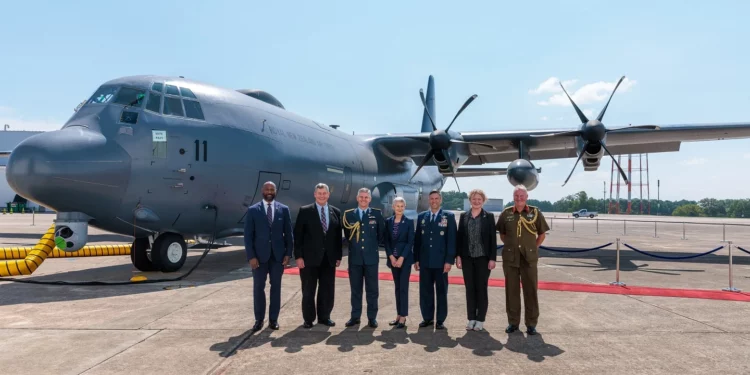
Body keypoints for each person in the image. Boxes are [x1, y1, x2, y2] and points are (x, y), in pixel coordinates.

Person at [496, 184, 549, 335]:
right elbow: (503, 234)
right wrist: (512, 246)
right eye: (516, 196)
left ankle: (531, 323)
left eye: (521, 196)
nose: (519, 199)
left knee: (530, 291)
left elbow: (541, 234)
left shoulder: (535, 212)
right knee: (511, 291)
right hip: (511, 258)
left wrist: (533, 247)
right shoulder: (506, 213)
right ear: (513, 197)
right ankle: (513, 322)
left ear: (526, 197)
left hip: (529, 258)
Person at [244, 181, 294, 332]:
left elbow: (289, 234)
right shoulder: (253, 210)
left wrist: (288, 253)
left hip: (278, 257)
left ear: (276, 191)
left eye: (272, 189)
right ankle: (259, 320)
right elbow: (248, 236)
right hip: (259, 257)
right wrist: (251, 256)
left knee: (276, 288)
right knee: (258, 288)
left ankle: (273, 320)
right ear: (262, 191)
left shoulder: (283, 209)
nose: (269, 192)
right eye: (267, 189)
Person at [293, 183, 343, 328]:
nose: (322, 195)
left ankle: (324, 316)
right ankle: (308, 319)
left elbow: (337, 237)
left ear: (328, 195)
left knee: (327, 289)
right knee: (308, 290)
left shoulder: (336, 212)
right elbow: (298, 236)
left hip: (329, 258)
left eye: (324, 193)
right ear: (315, 194)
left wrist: (338, 256)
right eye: (319, 193)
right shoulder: (305, 211)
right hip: (309, 259)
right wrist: (298, 256)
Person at [342, 188, 385, 328]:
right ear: (357, 198)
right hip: (355, 259)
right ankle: (355, 316)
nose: (363, 199)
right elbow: (348, 236)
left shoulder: (377, 214)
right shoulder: (349, 215)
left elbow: (381, 236)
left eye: (366, 197)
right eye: (361, 197)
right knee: (356, 290)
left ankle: (372, 317)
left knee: (372, 290)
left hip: (371, 259)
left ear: (370, 199)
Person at [456, 188, 497, 332]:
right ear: (470, 200)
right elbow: (460, 237)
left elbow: (493, 239)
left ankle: (480, 319)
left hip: (483, 259)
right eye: (474, 199)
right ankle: (471, 318)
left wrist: (492, 258)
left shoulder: (489, 217)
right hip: (467, 258)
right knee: (470, 289)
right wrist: (458, 256)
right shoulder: (464, 216)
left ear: (483, 201)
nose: (476, 201)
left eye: (479, 199)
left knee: (481, 288)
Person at [414, 190, 456, 330]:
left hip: (441, 262)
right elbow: (418, 240)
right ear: (428, 200)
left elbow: (451, 240)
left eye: (436, 198)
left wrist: (449, 260)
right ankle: (427, 318)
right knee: (425, 291)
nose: (434, 201)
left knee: (441, 291)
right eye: (431, 198)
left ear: (440, 200)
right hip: (425, 261)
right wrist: (416, 259)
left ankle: (440, 320)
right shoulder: (422, 217)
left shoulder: (448, 217)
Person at [384, 196, 415, 329]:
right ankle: (398, 315)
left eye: (402, 206)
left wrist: (402, 257)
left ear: (405, 207)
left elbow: (410, 242)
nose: (400, 208)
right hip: (393, 260)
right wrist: (391, 256)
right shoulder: (388, 222)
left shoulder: (409, 222)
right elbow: (386, 241)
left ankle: (403, 316)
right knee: (397, 288)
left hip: (405, 260)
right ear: (393, 207)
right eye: (397, 206)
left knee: (403, 288)